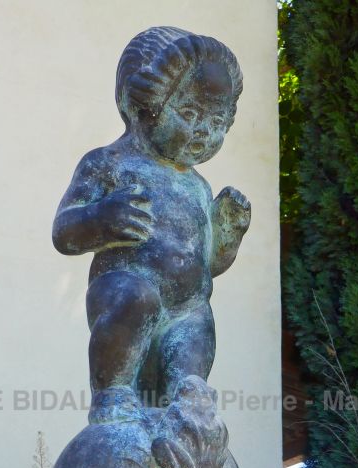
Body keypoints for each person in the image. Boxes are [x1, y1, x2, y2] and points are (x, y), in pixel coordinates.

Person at [52, 27, 251, 423]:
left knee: (197, 326)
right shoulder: (108, 163)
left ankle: (186, 396)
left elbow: (208, 262)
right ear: (143, 105)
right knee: (135, 300)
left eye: (217, 122)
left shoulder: (198, 186)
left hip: (187, 303)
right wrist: (102, 218)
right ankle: (113, 393)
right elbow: (64, 232)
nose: (203, 133)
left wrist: (228, 235)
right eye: (191, 114)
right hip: (124, 287)